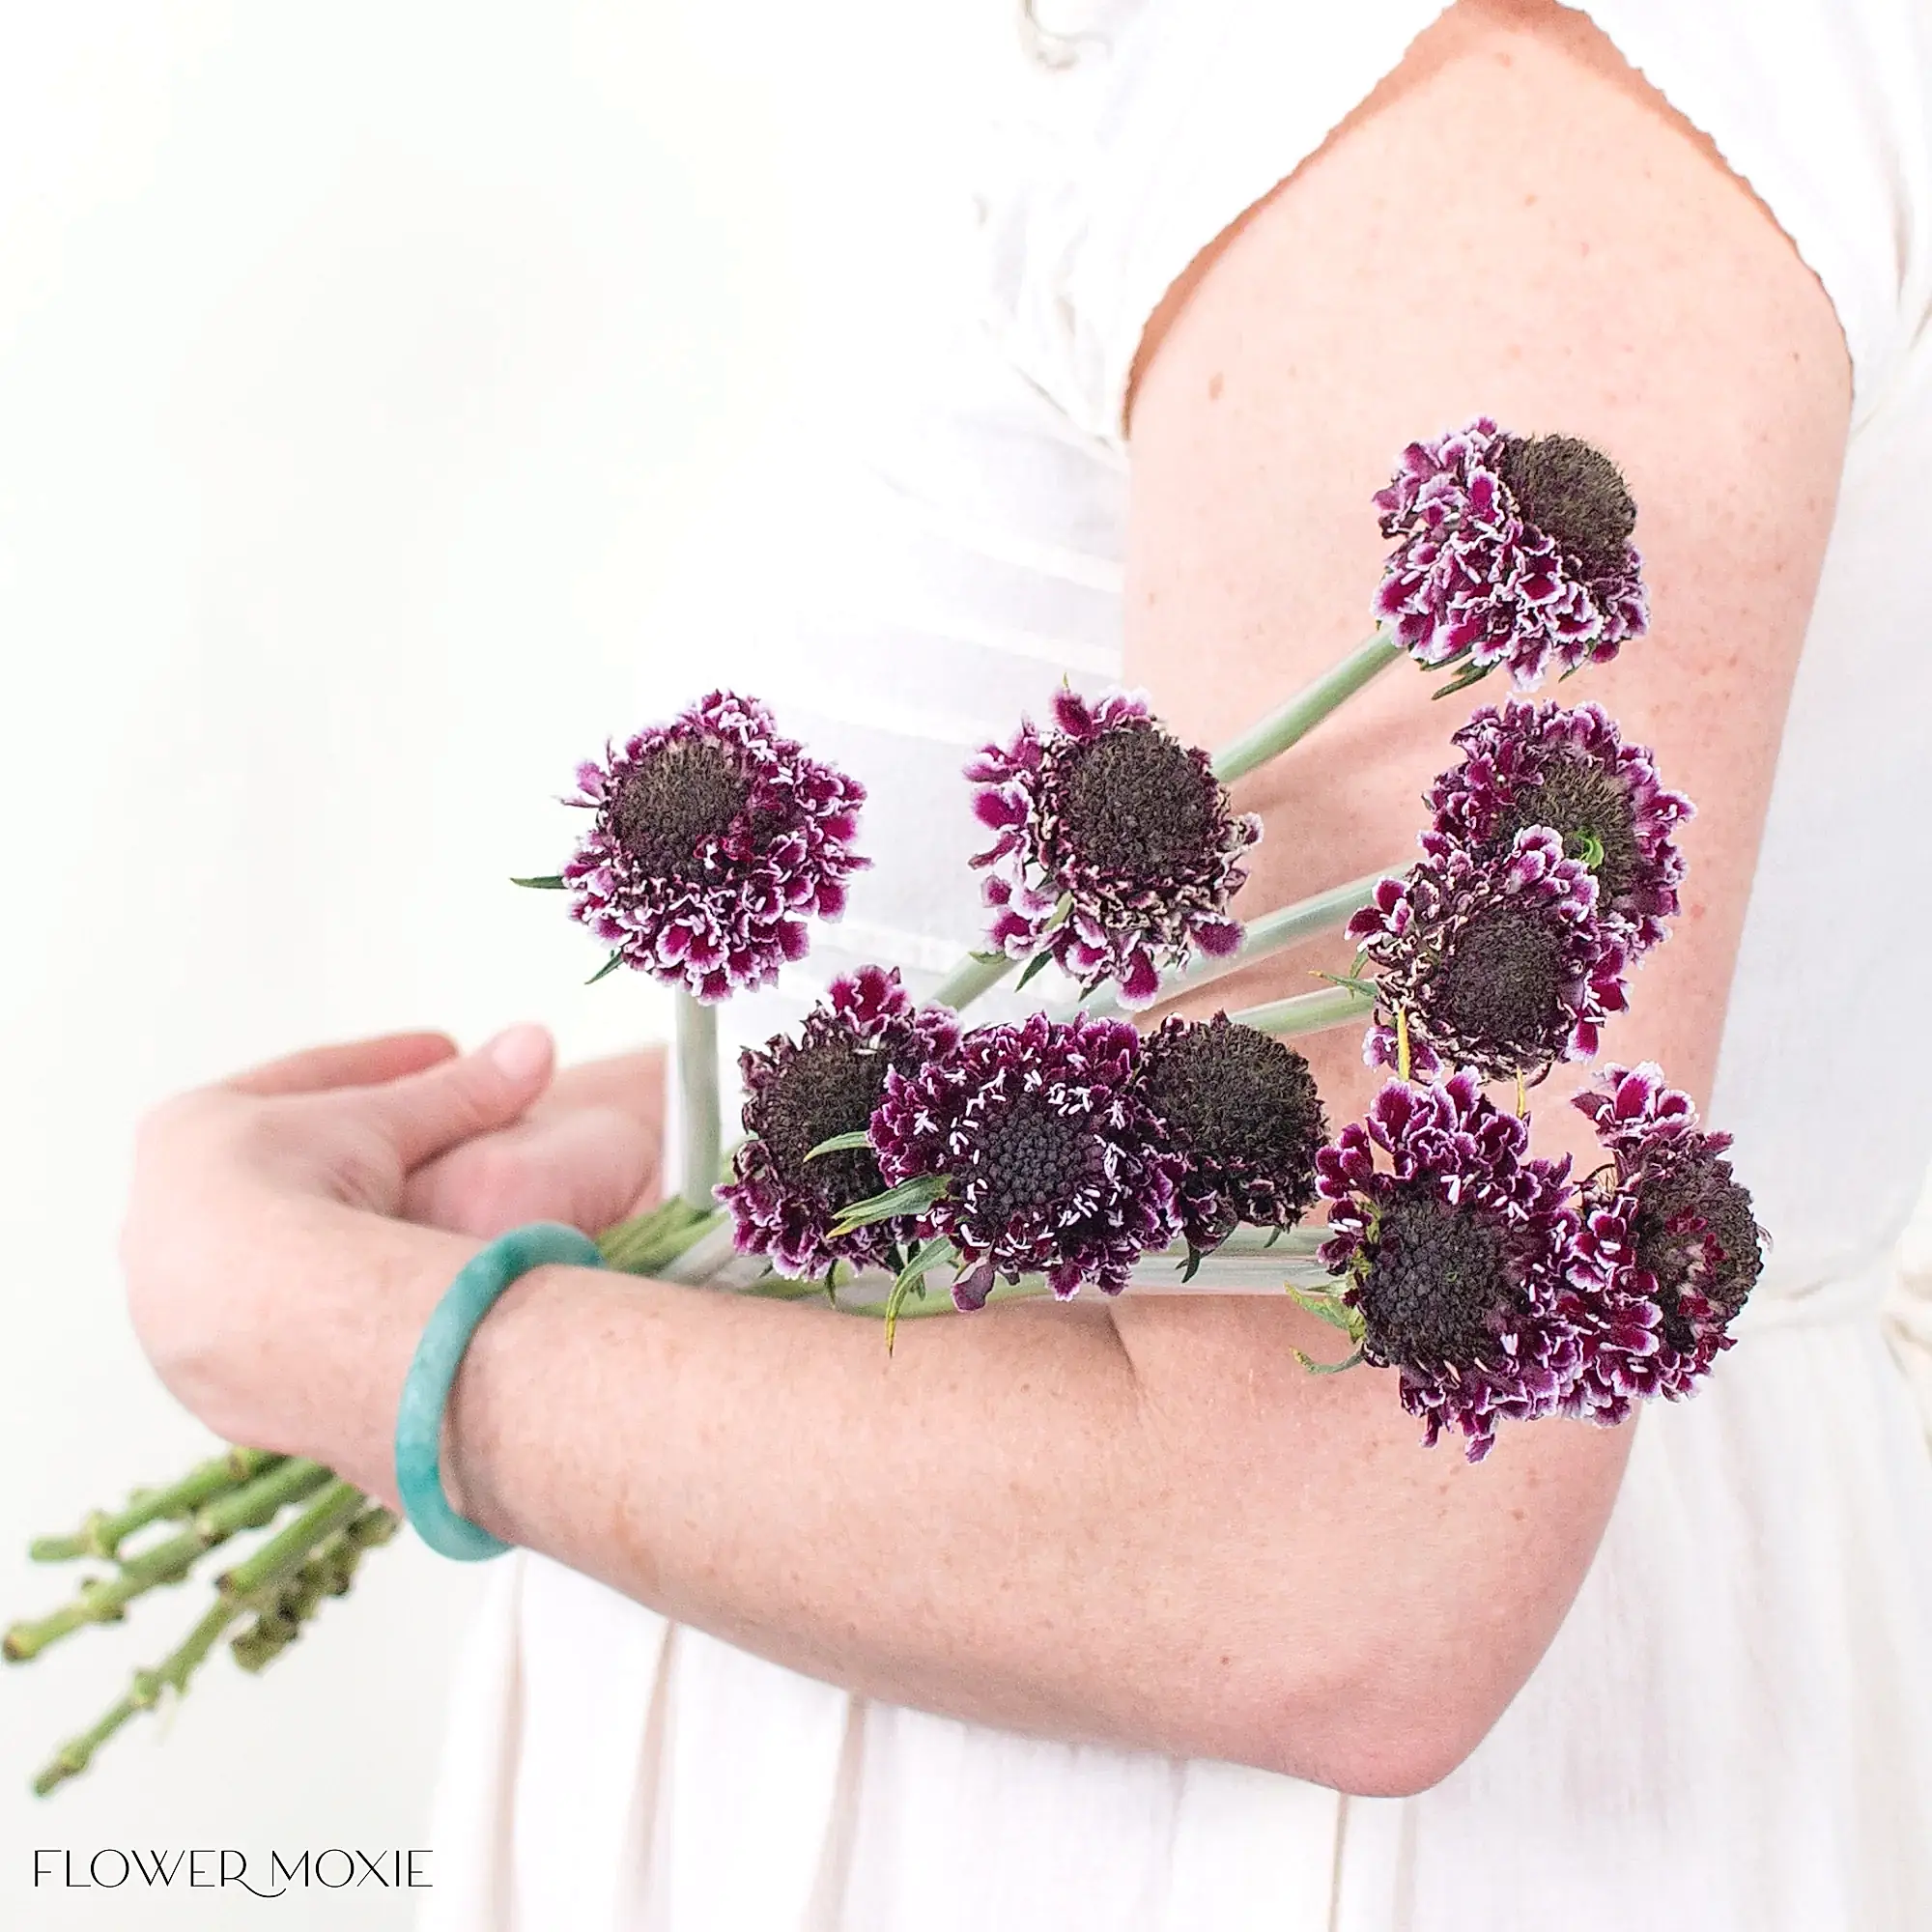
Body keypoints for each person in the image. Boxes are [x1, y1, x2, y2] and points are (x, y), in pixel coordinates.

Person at [122, 2, 1932, 1925]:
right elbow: (1274, 1098)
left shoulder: (1474, 100)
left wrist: (369, 1341)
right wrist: (769, 1137)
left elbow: (1331, 1556)